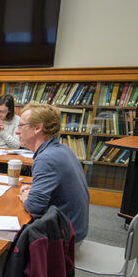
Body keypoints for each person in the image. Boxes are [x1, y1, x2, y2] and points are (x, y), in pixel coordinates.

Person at [16, 103, 89, 244]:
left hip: (65, 241)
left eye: (21, 126)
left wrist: (27, 197)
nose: (17, 132)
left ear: (38, 128)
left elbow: (34, 207)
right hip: (75, 230)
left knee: (8, 244)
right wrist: (34, 191)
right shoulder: (62, 149)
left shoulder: (46, 158)